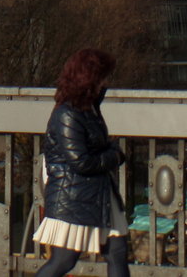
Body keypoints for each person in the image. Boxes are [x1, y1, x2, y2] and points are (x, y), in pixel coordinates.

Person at [33, 48, 129, 277]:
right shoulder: (67, 114)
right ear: (90, 78)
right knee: (64, 261)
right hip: (74, 197)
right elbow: (81, 162)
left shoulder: (89, 109)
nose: (107, 81)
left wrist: (110, 152)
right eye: (103, 76)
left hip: (96, 193)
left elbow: (98, 147)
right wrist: (114, 156)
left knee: (117, 251)